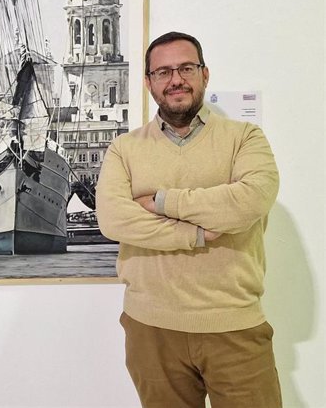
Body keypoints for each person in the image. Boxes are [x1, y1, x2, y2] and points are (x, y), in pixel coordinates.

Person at [95, 31, 281, 408]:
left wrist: (161, 200)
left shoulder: (245, 137)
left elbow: (250, 200)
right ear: (148, 82)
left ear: (204, 74)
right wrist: (194, 233)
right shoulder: (124, 148)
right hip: (151, 329)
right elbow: (114, 218)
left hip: (233, 325)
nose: (175, 79)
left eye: (185, 68)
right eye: (162, 72)